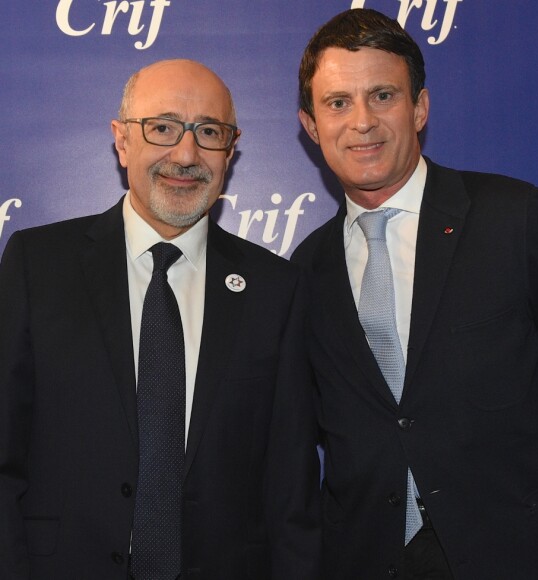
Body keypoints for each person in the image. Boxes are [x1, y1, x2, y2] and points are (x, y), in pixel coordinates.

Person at [0, 59, 321, 580]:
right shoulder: (37, 265)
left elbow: (291, 495)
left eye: (209, 132)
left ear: (230, 151)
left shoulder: (275, 290)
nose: (186, 154)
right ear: (122, 141)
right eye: (163, 128)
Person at [292, 8, 538, 580]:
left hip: (518, 550)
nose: (362, 122)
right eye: (338, 103)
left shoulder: (514, 218)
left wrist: (528, 472)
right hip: (366, 560)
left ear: (419, 108)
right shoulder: (305, 270)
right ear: (310, 124)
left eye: (382, 95)